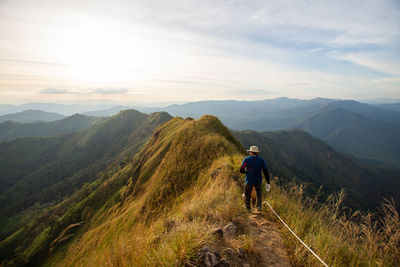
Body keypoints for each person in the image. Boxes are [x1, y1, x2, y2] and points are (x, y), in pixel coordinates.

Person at [240, 145, 271, 212]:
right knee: (258, 193)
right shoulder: (261, 160)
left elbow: (241, 170)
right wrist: (268, 182)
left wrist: (246, 172)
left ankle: (248, 208)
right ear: (257, 153)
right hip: (258, 180)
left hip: (249, 180)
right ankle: (259, 206)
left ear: (250, 152)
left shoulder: (246, 159)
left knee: (247, 194)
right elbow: (265, 171)